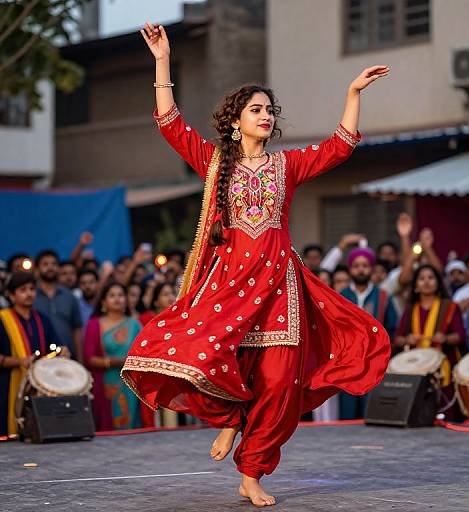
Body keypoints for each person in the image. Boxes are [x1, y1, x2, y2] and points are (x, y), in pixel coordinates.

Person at [121, 22, 390, 508]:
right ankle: (229, 418)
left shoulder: (287, 166)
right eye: (256, 109)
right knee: (203, 357)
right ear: (234, 122)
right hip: (227, 288)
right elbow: (170, 123)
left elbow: (340, 146)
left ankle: (252, 470)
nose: (266, 116)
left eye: (270, 110)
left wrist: (352, 92)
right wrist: (163, 60)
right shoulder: (214, 164)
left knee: (281, 381)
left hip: (279, 289)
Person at [394, 264, 466, 420]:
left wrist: (445, 338)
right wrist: (408, 339)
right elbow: (397, 339)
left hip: (443, 365)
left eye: (431, 278)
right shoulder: (411, 309)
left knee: (445, 414)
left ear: (438, 283)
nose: (426, 282)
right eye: (421, 279)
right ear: (416, 286)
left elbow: (460, 336)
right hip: (416, 367)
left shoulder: (450, 307)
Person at [0, 272, 66, 436]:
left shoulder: (42, 319)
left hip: (39, 385)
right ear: (11, 295)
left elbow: (56, 346)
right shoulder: (2, 319)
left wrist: (62, 351)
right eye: (23, 290)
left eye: (32, 289)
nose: (29, 293)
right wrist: (19, 361)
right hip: (7, 385)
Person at [339, 247, 397, 419]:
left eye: (365, 265)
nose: (361, 269)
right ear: (350, 269)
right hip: (347, 362)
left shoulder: (383, 297)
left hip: (374, 361)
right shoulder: (341, 296)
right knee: (348, 411)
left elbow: (392, 327)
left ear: (371, 268)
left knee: (371, 409)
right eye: (356, 266)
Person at [84, 282, 143, 430]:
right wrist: (112, 362)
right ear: (104, 302)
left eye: (121, 295)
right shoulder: (94, 325)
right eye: (112, 295)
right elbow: (89, 358)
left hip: (131, 382)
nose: (117, 299)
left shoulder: (135, 324)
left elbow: (144, 354)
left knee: (131, 425)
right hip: (105, 382)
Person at [33, 250, 83, 361]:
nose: (50, 267)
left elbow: (77, 330)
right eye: (45, 264)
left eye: (54, 264)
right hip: (39, 358)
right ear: (37, 269)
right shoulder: (32, 296)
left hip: (67, 357)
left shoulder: (69, 296)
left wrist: (80, 359)